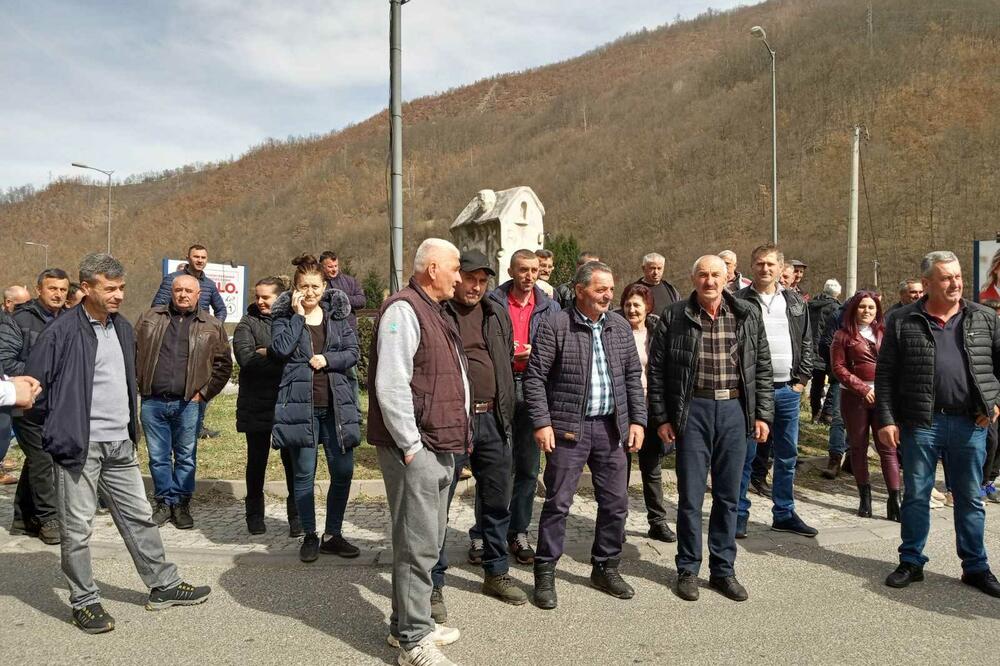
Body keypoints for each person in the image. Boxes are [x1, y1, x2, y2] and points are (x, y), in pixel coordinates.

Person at [26, 253, 210, 634]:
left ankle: (164, 585)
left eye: (122, 288)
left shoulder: (123, 328)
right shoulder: (60, 333)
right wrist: (61, 429)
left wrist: (128, 431)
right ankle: (85, 600)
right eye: (110, 289)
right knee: (77, 530)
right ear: (87, 288)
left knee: (140, 517)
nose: (119, 295)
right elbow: (34, 393)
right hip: (79, 447)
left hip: (120, 445)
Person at [648, 255, 773, 602]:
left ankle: (723, 569)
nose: (710, 281)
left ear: (728, 277)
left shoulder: (746, 314)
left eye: (716, 274)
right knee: (690, 496)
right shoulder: (674, 315)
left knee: (729, 496)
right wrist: (662, 418)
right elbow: (657, 371)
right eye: (703, 275)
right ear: (693, 278)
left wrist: (762, 415)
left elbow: (761, 366)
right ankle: (688, 568)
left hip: (734, 409)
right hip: (693, 410)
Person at [367, 238, 467, 666]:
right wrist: (411, 446)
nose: (460, 277)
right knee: (417, 543)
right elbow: (391, 385)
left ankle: (407, 622)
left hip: (438, 443)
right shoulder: (403, 310)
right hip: (418, 447)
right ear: (432, 269)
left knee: (425, 539)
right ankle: (413, 640)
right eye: (455, 268)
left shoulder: (433, 311)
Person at [525, 260, 646, 609]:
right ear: (580, 291)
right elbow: (535, 378)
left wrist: (637, 421)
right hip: (567, 431)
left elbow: (631, 381)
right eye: (600, 289)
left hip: (611, 430)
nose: (608, 294)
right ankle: (545, 571)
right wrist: (541, 422)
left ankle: (605, 567)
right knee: (558, 503)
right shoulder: (556, 325)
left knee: (615, 503)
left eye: (610, 288)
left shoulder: (620, 327)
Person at [878, 250, 1000, 597]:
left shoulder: (983, 318)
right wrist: (886, 419)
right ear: (928, 283)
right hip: (921, 423)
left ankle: (975, 566)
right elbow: (886, 376)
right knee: (916, 495)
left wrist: (995, 402)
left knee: (970, 498)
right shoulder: (902, 320)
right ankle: (911, 561)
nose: (956, 283)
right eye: (946, 278)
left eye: (958, 276)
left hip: (970, 423)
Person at [431, 249, 526, 620]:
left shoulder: (495, 312)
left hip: (494, 421)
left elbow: (504, 363)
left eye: (483, 280)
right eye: (470, 278)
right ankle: (434, 582)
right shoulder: (439, 313)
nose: (476, 286)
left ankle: (496, 571)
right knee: (440, 504)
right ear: (457, 278)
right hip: (454, 421)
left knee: (496, 501)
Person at [269, 255, 361, 563]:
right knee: (304, 474)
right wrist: (297, 317)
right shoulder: (284, 318)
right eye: (304, 286)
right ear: (295, 288)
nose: (310, 292)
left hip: (336, 408)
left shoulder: (337, 318)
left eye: (316, 286)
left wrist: (328, 360)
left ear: (325, 287)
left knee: (343, 471)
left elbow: (352, 352)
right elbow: (280, 349)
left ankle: (332, 534)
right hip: (301, 409)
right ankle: (309, 534)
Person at [135, 274, 232, 529]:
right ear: (171, 291)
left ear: (199, 295)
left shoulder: (212, 325)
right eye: (178, 290)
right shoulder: (149, 318)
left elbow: (223, 366)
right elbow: (132, 353)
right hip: (153, 402)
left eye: (189, 290)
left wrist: (204, 393)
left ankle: (181, 503)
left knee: (186, 456)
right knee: (158, 456)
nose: (183, 294)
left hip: (189, 402)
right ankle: (164, 502)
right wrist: (139, 384)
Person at [485, 249, 561, 565]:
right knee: (494, 466)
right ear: (512, 270)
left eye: (533, 270)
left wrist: (537, 351)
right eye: (522, 270)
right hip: (501, 387)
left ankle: (518, 532)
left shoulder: (550, 306)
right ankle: (483, 535)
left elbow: (558, 348)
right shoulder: (492, 302)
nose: (529, 276)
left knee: (529, 468)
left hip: (533, 387)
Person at [736, 245, 818, 539]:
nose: (765, 269)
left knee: (787, 455)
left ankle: (783, 513)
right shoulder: (738, 301)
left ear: (781, 268)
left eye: (770, 264)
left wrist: (801, 380)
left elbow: (807, 341)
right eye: (759, 264)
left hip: (787, 389)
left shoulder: (795, 301)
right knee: (746, 454)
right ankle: (738, 515)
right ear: (752, 266)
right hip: (753, 391)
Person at [0, 267, 71, 544]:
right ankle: (48, 517)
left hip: (57, 405)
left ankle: (22, 518)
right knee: (43, 459)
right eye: (52, 288)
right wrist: (44, 376)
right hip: (27, 404)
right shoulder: (19, 319)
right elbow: (5, 360)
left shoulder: (70, 320)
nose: (58, 294)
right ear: (39, 289)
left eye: (63, 289)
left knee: (37, 460)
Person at [233, 276, 299, 536]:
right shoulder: (247, 323)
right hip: (256, 402)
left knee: (292, 463)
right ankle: (254, 515)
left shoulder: (294, 320)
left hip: (287, 402)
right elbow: (246, 359)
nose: (259, 301)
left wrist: (268, 352)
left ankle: (296, 518)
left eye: (265, 297)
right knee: (256, 461)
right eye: (257, 296)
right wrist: (281, 357)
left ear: (280, 297)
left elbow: (298, 359)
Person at [831, 291, 900, 520]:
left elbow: (893, 364)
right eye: (862, 307)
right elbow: (839, 368)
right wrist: (863, 389)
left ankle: (894, 499)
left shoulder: (885, 333)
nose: (867, 311)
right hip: (854, 396)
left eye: (871, 307)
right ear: (854, 309)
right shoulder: (842, 335)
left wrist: (885, 390)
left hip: (883, 396)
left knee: (888, 448)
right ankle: (865, 497)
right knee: (859, 447)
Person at [620, 282, 675, 542]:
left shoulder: (658, 332)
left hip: (651, 406)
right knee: (619, 468)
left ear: (648, 307)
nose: (632, 309)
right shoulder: (615, 331)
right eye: (628, 305)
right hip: (621, 407)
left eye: (637, 305)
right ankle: (615, 523)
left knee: (651, 467)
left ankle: (657, 521)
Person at [151, 244, 227, 320]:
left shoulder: (210, 284)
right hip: (175, 327)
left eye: (203, 258)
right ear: (188, 258)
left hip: (200, 329)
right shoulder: (172, 279)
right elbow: (158, 307)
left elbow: (221, 310)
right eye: (196, 257)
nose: (200, 260)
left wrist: (214, 328)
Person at [808, 279, 842, 423]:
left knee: (816, 382)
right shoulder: (836, 308)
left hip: (810, 348)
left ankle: (815, 412)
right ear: (838, 293)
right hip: (826, 349)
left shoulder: (811, 305)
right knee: (835, 381)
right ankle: (827, 414)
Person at [320, 250, 366, 330]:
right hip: (326, 328)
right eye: (330, 267)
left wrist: (343, 299)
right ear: (322, 266)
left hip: (349, 328)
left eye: (336, 266)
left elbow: (362, 301)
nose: (334, 269)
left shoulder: (350, 281)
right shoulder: (317, 283)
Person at [630, 252, 681, 316]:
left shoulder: (671, 290)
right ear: (643, 268)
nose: (656, 272)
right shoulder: (633, 290)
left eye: (659, 268)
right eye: (652, 268)